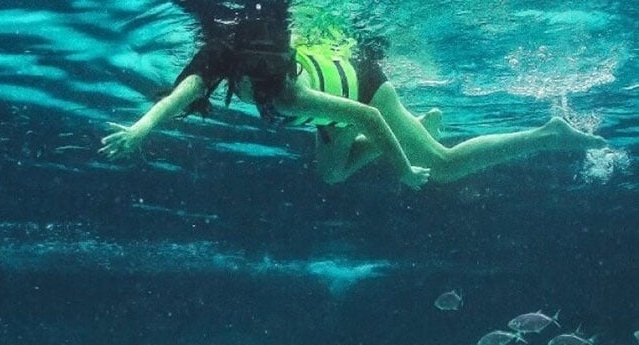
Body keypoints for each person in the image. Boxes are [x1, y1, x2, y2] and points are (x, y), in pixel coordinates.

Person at [100, 2, 606, 189]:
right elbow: (186, 90)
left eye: (259, 81)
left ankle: (547, 134)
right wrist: (141, 128)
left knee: (443, 166)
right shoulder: (228, 61)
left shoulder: (294, 98)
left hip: (363, 88)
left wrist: (406, 171)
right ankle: (419, 130)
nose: (250, 86)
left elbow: (364, 114)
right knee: (331, 175)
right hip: (337, 118)